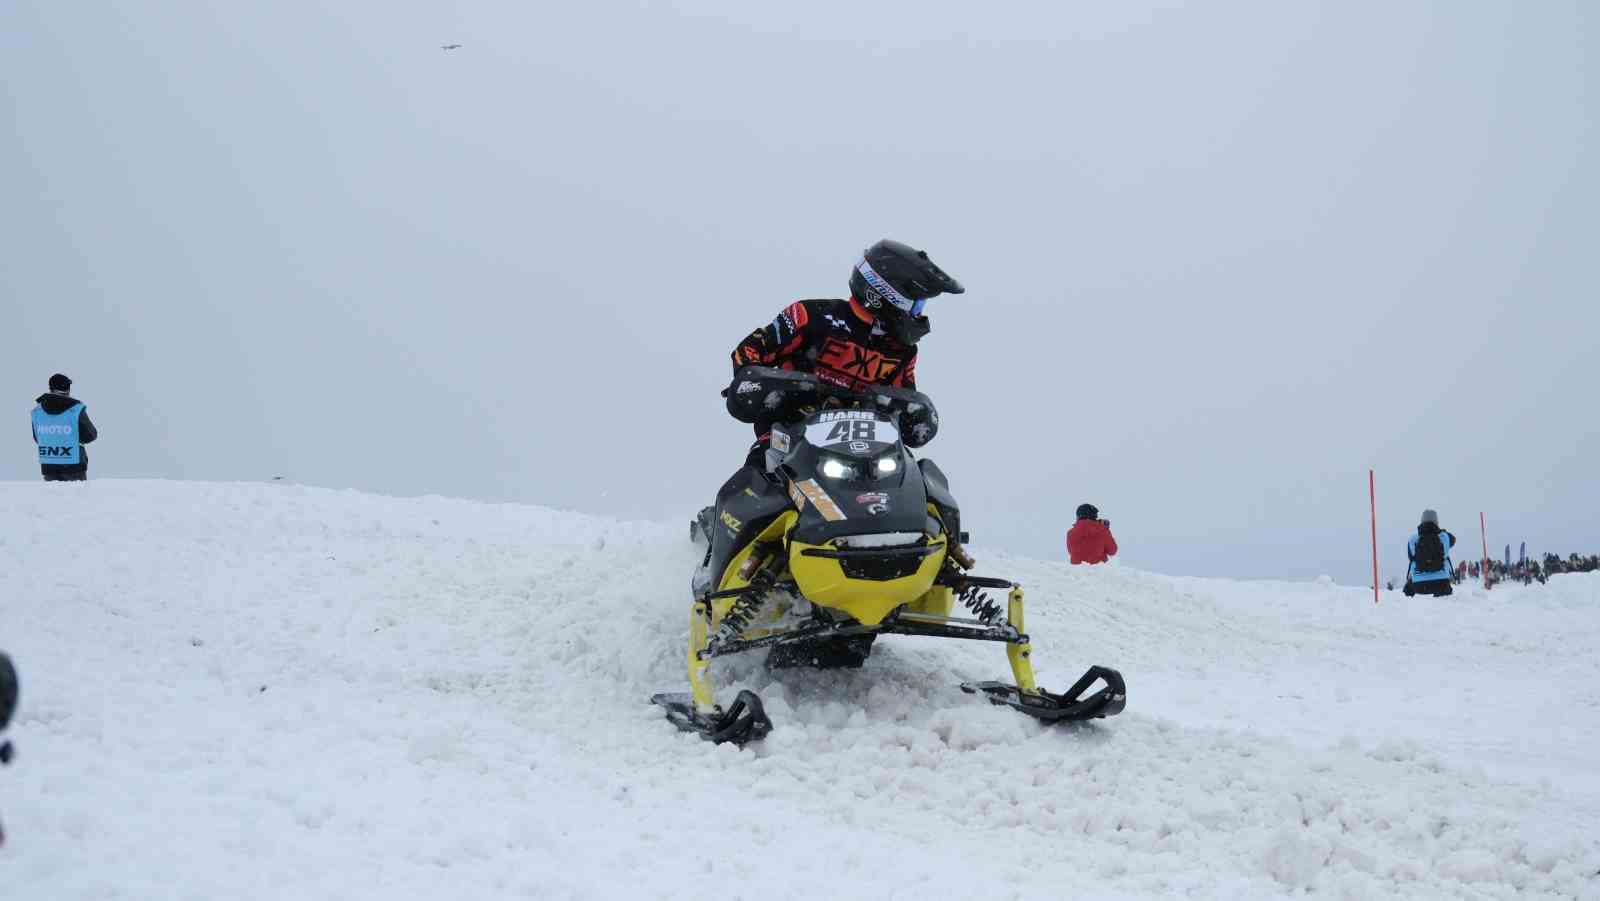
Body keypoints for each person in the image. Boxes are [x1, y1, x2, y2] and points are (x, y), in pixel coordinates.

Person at [31, 373, 98, 482]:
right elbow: (90, 435)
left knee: (53, 493)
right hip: (74, 466)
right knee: (75, 493)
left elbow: (37, 438)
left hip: (49, 466)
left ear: (50, 388)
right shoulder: (76, 410)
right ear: (68, 389)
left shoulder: (37, 411)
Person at [1403, 509, 1457, 597]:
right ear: (1437, 522)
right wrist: (1442, 531)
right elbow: (1453, 540)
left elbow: (1411, 558)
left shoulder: (1413, 539)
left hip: (1419, 586)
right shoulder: (1444, 537)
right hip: (1442, 585)